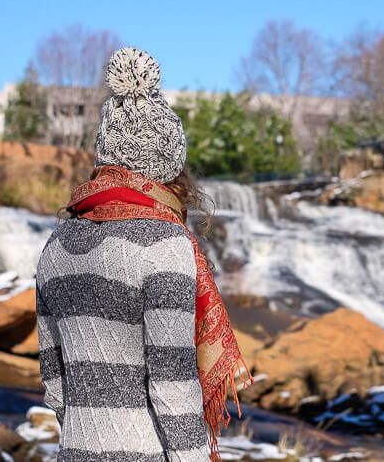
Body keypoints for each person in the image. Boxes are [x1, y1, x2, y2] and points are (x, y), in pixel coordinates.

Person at [35, 47, 250, 462]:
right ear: (171, 166)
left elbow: (55, 384)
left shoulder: (55, 246)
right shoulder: (165, 246)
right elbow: (173, 386)